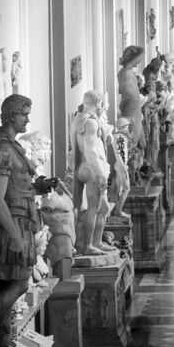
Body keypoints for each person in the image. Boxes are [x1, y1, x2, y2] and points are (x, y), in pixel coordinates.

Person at [0, 94, 58, 347]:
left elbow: (16, 187)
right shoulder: (2, 149)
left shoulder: (12, 146)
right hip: (9, 225)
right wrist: (14, 234)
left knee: (11, 281)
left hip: (22, 220)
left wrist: (39, 186)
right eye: (24, 114)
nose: (27, 119)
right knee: (19, 281)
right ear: (11, 115)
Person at [71, 90, 112, 255]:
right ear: (99, 103)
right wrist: (101, 173)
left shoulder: (78, 119)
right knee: (94, 208)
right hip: (92, 168)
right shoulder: (91, 122)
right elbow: (90, 150)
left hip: (81, 167)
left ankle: (96, 242)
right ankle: (88, 245)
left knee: (102, 208)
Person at [118, 45, 146, 152]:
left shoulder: (129, 72)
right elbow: (128, 95)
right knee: (133, 143)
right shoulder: (125, 73)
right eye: (138, 59)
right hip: (131, 111)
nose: (138, 62)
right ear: (132, 58)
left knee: (142, 144)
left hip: (135, 110)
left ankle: (140, 160)